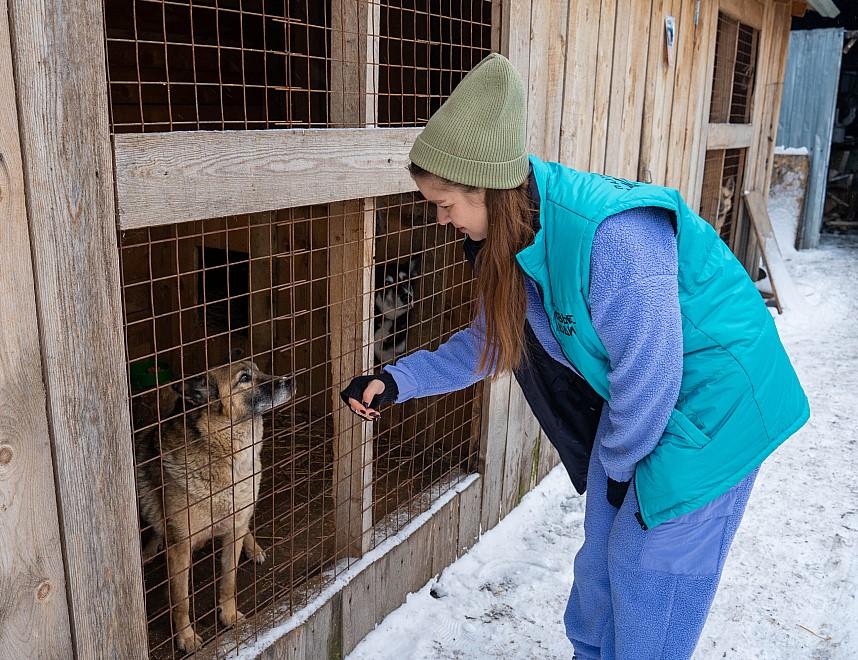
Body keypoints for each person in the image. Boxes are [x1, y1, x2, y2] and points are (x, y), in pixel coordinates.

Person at [340, 53, 809, 659]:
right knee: (597, 577)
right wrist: (397, 379)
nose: (441, 217)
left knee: (649, 587)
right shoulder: (511, 242)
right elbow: (494, 343)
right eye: (434, 201)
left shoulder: (609, 239)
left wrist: (615, 473)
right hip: (650, 407)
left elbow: (652, 373)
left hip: (717, 410)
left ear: (494, 186)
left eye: (448, 200)